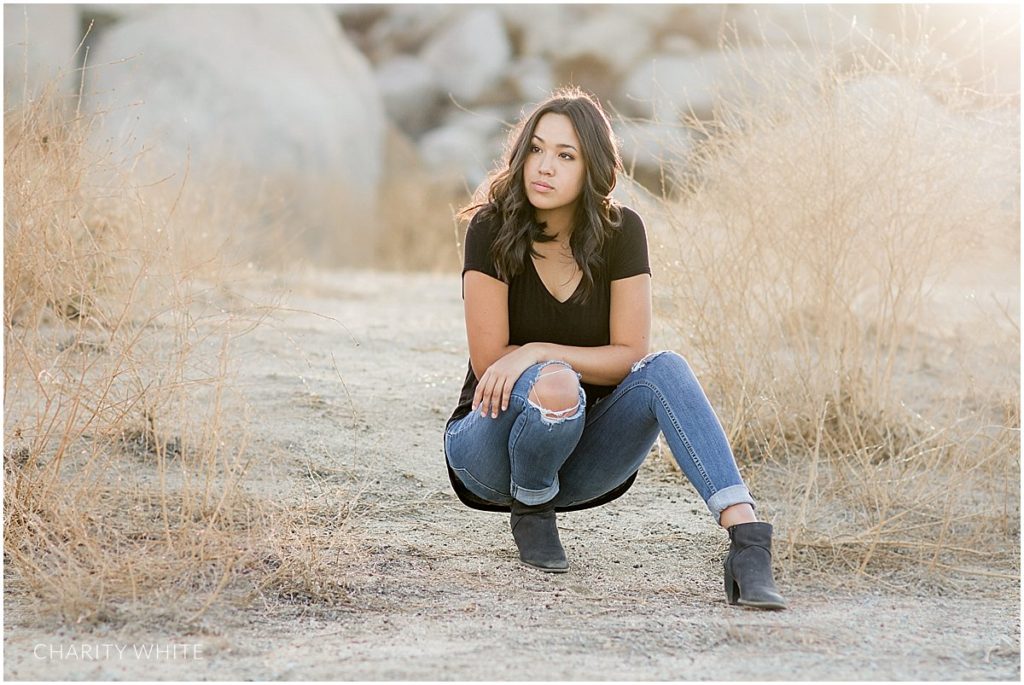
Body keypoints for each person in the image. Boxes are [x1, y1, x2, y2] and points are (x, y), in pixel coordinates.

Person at [442, 86, 786, 610]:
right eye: (535, 149)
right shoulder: (491, 228)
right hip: (488, 448)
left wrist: (534, 347)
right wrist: (541, 364)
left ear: (592, 167)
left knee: (664, 367)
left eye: (565, 155)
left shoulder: (622, 232)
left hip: (581, 459)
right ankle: (531, 510)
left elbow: (631, 353)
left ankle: (747, 542)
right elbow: (492, 362)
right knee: (554, 381)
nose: (544, 167)